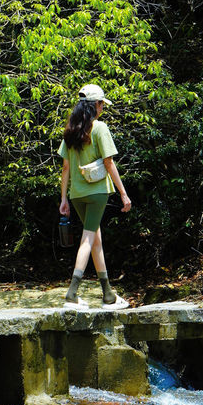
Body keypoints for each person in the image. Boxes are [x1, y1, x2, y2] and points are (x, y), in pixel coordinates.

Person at [58, 83, 131, 309]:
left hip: (77, 194)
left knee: (96, 240)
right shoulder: (99, 128)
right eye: (101, 104)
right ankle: (72, 292)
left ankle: (108, 295)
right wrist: (123, 193)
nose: (102, 108)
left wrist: (64, 199)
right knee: (88, 239)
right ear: (95, 105)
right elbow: (109, 163)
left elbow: (65, 167)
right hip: (97, 192)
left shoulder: (71, 130)